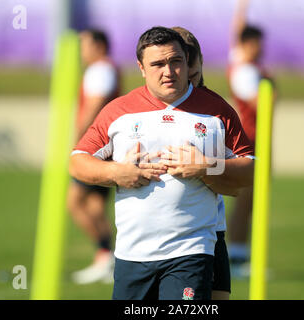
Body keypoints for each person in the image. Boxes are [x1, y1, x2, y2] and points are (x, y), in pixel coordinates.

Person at [69, 26, 255, 300]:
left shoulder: (216, 111)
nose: (168, 71)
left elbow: (252, 169)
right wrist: (117, 172)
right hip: (132, 253)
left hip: (192, 250)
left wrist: (208, 167)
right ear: (141, 67)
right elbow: (77, 162)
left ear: (188, 61)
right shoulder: (119, 111)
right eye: (157, 64)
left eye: (176, 62)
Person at [172, 26, 232, 300]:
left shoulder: (215, 111)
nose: (190, 85)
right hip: (163, 239)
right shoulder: (146, 111)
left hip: (211, 231)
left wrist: (207, 167)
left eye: (194, 76)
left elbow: (241, 173)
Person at [67, 29, 120, 285]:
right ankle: (107, 259)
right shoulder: (105, 68)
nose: (82, 51)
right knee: (95, 204)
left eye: (85, 45)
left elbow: (94, 106)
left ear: (99, 46)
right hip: (105, 147)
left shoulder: (100, 69)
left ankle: (105, 256)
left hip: (96, 148)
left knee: (75, 201)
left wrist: (79, 143)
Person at [227, 0, 273, 277]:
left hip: (255, 139)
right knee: (246, 199)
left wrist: (241, 8)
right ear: (251, 43)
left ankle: (240, 255)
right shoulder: (246, 70)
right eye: (259, 43)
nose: (263, 48)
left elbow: (237, 31)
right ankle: (238, 257)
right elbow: (261, 104)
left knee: (251, 200)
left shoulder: (240, 60)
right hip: (251, 140)